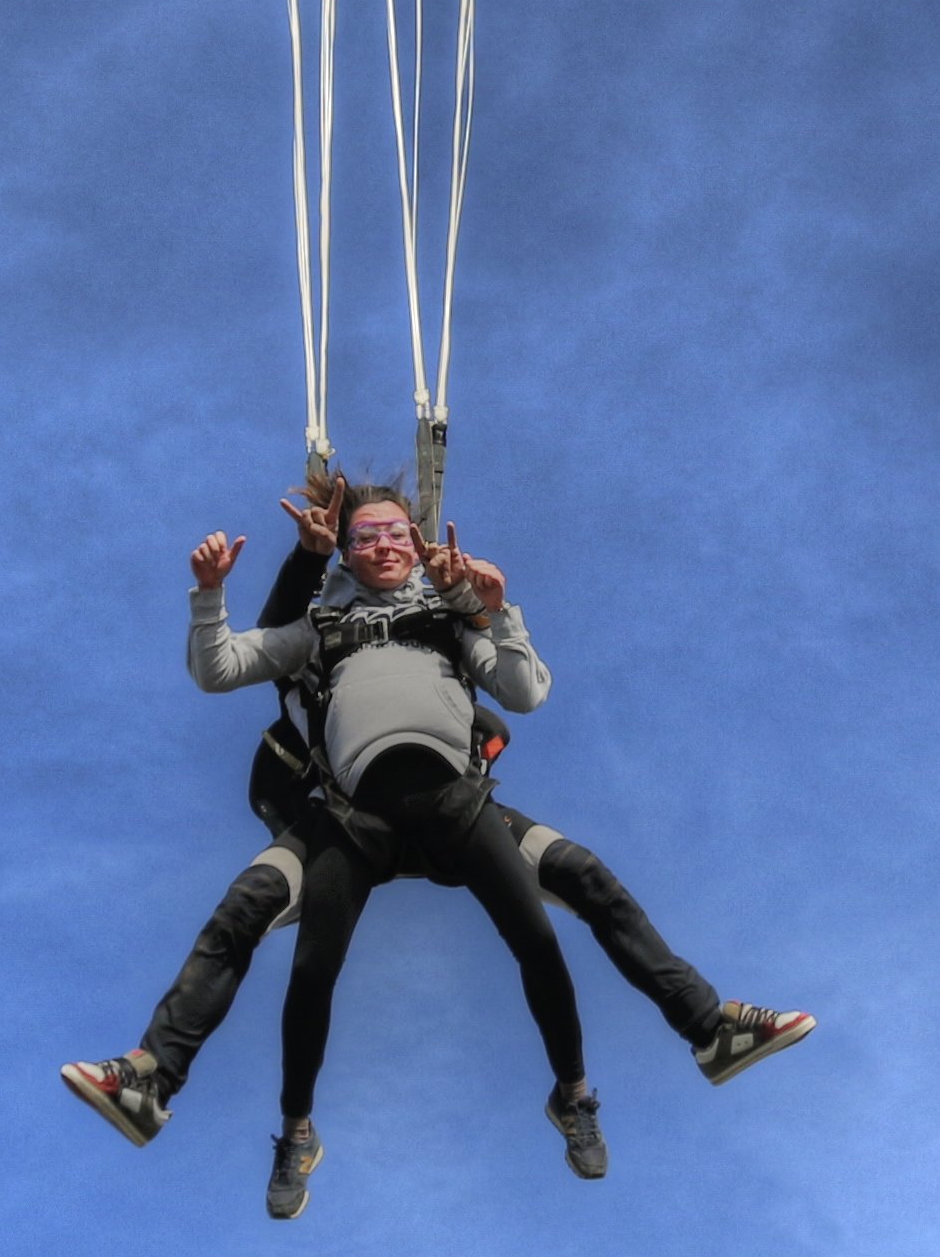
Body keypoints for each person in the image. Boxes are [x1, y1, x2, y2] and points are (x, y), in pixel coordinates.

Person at [61, 485, 810, 1218]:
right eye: (366, 537)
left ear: (417, 548)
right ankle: (171, 1088)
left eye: (397, 534)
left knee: (573, 892)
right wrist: (209, 595)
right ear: (347, 554)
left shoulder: (449, 621)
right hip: (352, 820)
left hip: (458, 805)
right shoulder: (319, 627)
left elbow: (524, 693)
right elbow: (218, 669)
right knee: (267, 932)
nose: (383, 546)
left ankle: (686, 1043)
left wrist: (495, 608)